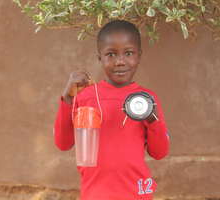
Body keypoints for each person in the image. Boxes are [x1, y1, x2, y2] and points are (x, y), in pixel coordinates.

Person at [54, 20, 170, 200]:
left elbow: (159, 152)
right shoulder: (85, 97)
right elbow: (63, 143)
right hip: (95, 194)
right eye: (111, 54)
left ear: (139, 56)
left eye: (128, 53)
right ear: (100, 58)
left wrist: (153, 119)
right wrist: (68, 99)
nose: (120, 62)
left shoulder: (146, 100)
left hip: (136, 194)